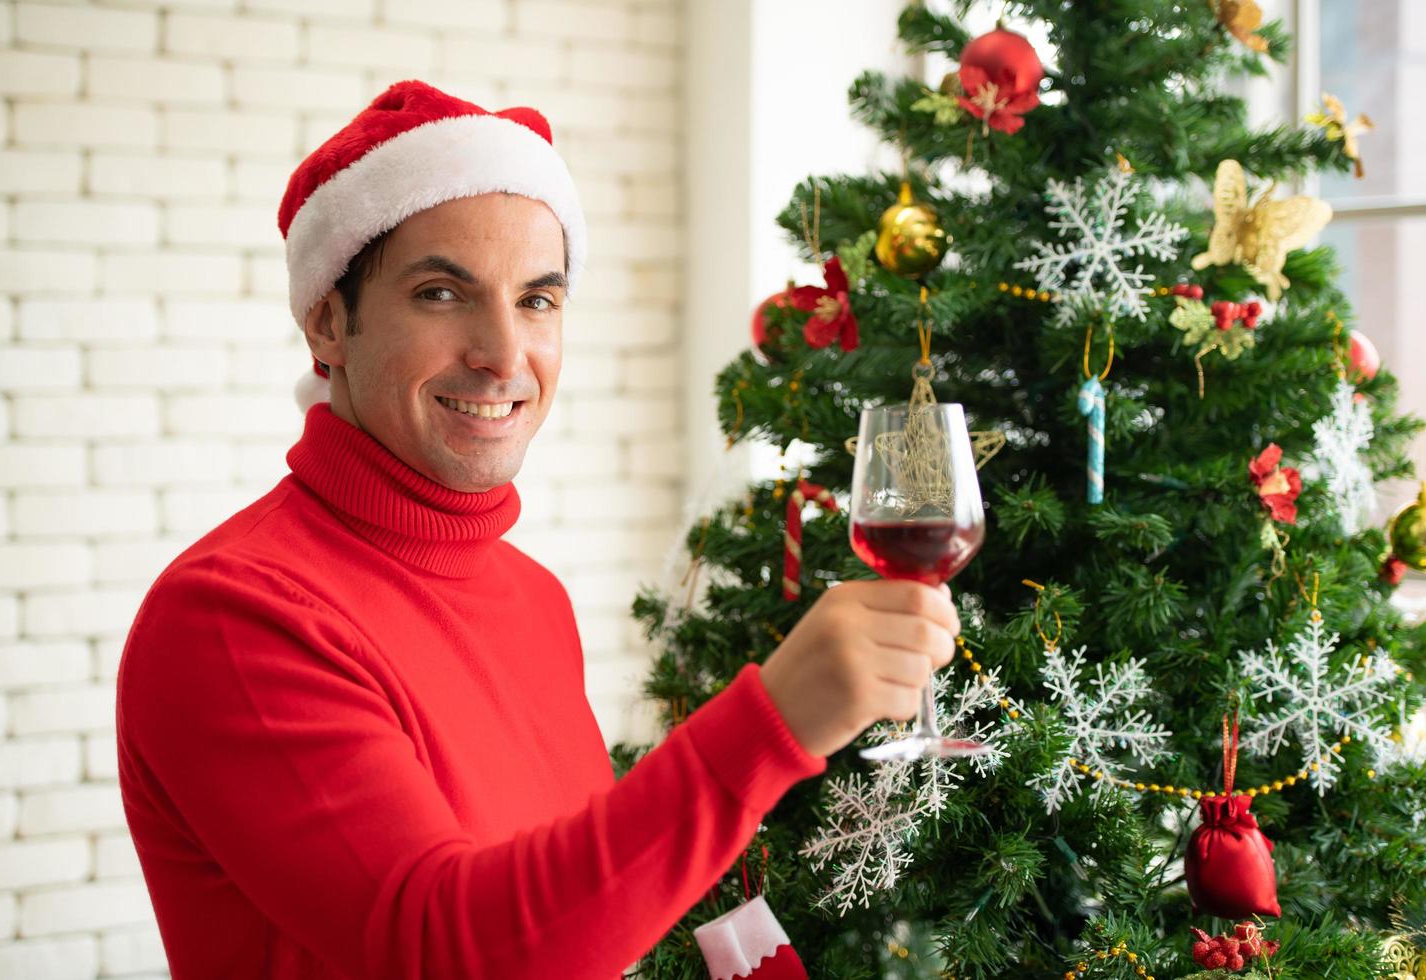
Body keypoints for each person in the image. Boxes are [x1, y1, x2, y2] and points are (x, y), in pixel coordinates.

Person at [115, 80, 962, 979]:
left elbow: (567, 920)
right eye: (442, 293)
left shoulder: (531, 596)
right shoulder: (232, 616)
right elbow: (448, 949)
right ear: (328, 319)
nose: (504, 353)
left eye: (538, 300)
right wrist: (770, 724)